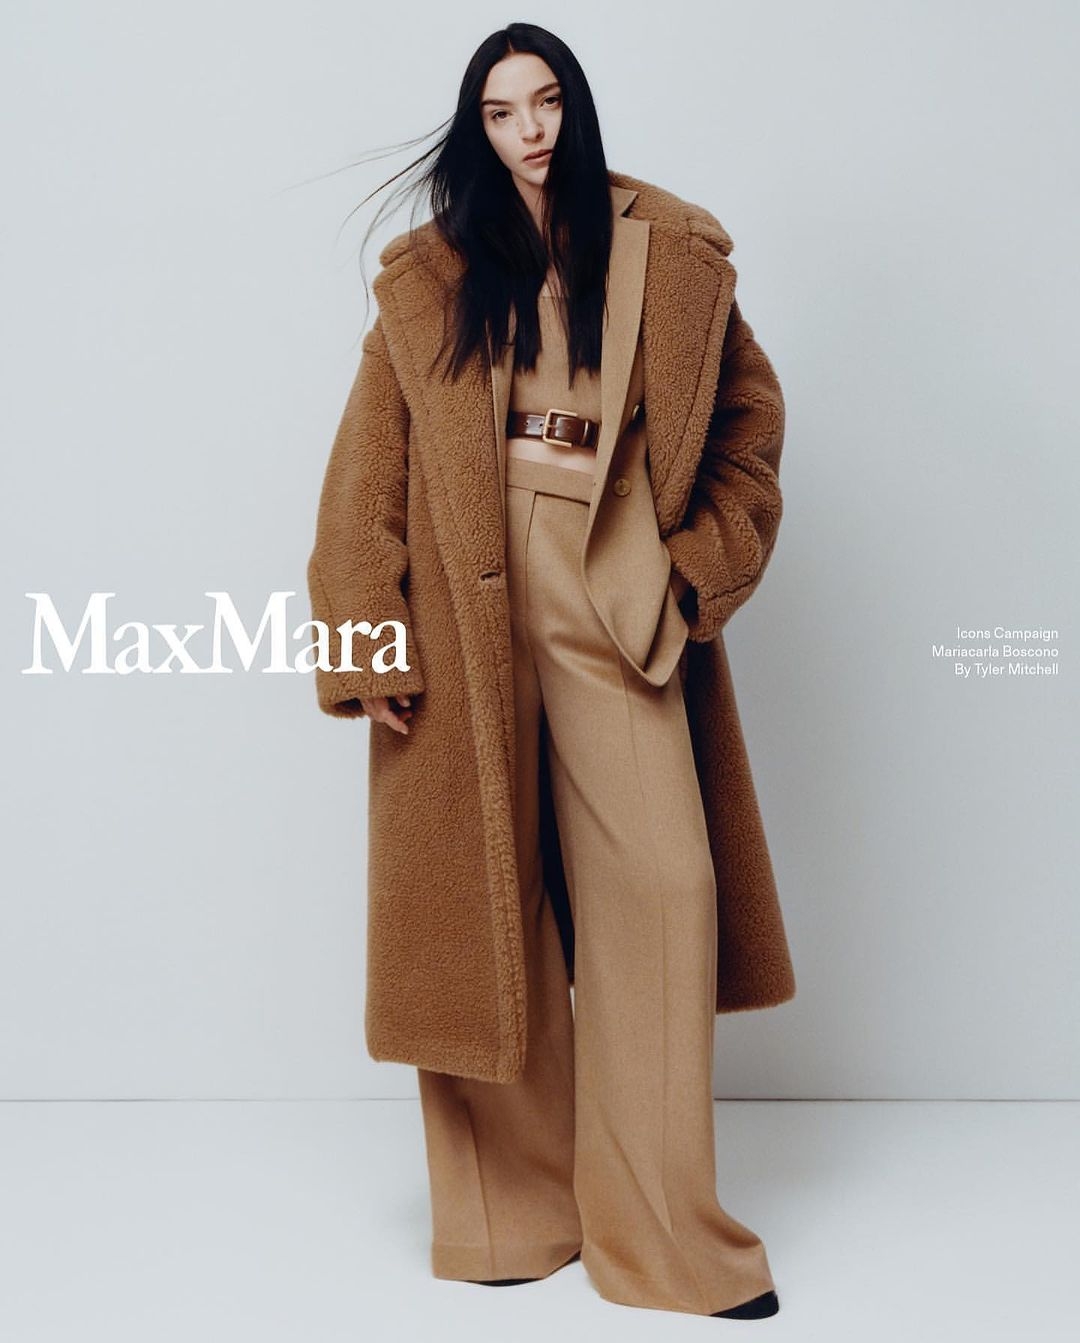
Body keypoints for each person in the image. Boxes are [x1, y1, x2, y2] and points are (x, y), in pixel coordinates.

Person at [306, 21, 796, 1322]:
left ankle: (665, 1240)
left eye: (547, 102)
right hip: (462, 590)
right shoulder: (432, 276)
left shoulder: (666, 249)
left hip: (612, 564)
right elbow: (366, 471)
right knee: (485, 900)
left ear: (576, 109)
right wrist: (365, 637)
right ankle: (510, 1219)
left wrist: (699, 565)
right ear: (475, 129)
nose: (528, 129)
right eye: (501, 109)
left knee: (665, 888)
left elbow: (749, 420)